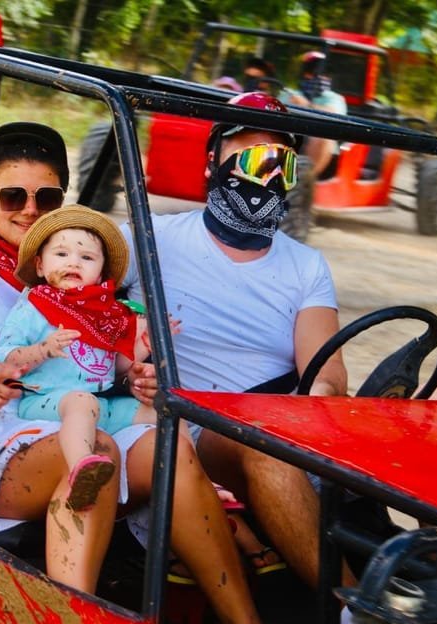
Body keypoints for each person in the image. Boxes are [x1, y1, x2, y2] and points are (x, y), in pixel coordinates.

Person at [0, 123, 264, 624]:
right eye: (13, 195)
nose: (30, 209)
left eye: (48, 196)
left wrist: (135, 379)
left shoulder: (76, 269)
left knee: (166, 447)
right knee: (97, 447)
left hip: (73, 413)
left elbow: (106, 356)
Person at [120, 91, 356, 594]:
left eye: (278, 162)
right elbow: (69, 275)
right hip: (190, 424)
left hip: (282, 420)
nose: (262, 173)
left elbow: (327, 370)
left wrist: (314, 407)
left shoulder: (305, 265)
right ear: (213, 162)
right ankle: (353, 608)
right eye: (247, 155)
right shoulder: (149, 238)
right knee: (267, 447)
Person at [0, 204, 155, 512]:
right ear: (39, 265)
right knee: (80, 401)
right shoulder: (35, 307)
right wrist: (42, 350)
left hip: (96, 403)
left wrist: (141, 346)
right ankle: (82, 472)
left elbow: (109, 368)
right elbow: (4, 359)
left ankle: (201, 479)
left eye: (87, 257)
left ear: (100, 273)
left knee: (160, 413)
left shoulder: (104, 315)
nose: (74, 262)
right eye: (61, 255)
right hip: (44, 403)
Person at [279, 51, 347, 179]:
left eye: (325, 75)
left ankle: (305, 181)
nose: (321, 78)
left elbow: (333, 114)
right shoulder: (289, 94)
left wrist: (307, 105)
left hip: (321, 149)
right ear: (306, 74)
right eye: (315, 73)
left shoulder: (335, 99)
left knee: (323, 136)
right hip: (290, 139)